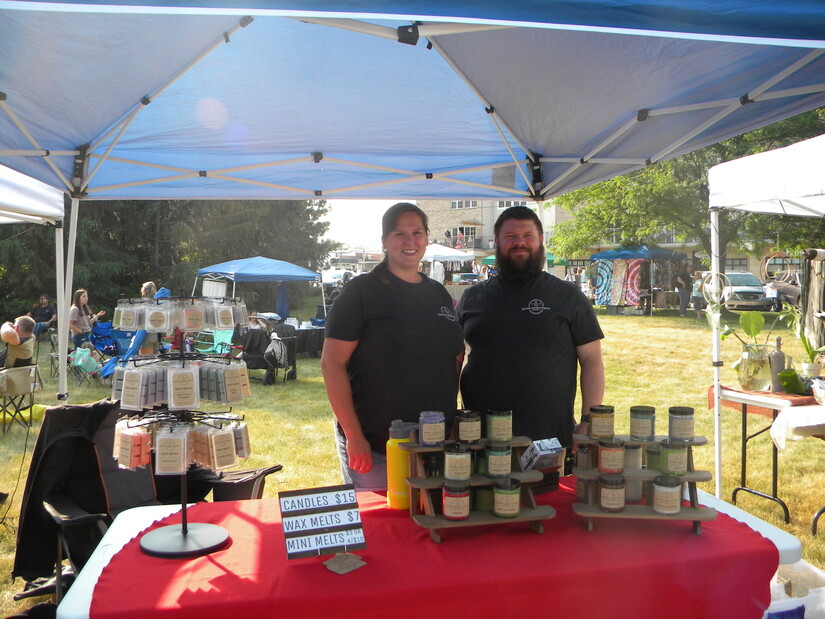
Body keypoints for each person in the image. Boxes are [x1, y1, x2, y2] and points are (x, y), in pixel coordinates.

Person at [321, 203, 465, 491]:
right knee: (380, 529)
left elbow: (454, 358)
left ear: (426, 238)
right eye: (399, 233)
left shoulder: (437, 293)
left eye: (417, 232)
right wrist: (354, 435)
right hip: (376, 447)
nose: (409, 241)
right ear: (385, 241)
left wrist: (450, 422)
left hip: (434, 443)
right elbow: (331, 364)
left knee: (429, 524)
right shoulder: (361, 292)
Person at [456, 206, 605, 452]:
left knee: (547, 491)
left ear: (541, 240)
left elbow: (592, 361)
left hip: (548, 437)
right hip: (481, 437)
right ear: (497, 242)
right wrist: (454, 418)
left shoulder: (568, 296)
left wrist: (588, 421)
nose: (520, 243)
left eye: (528, 235)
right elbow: (454, 358)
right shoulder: (472, 297)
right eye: (510, 236)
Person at [139, 281, 160, 355]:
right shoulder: (159, 304)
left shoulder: (144, 305)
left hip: (146, 336)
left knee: (146, 362)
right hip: (157, 336)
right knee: (155, 362)